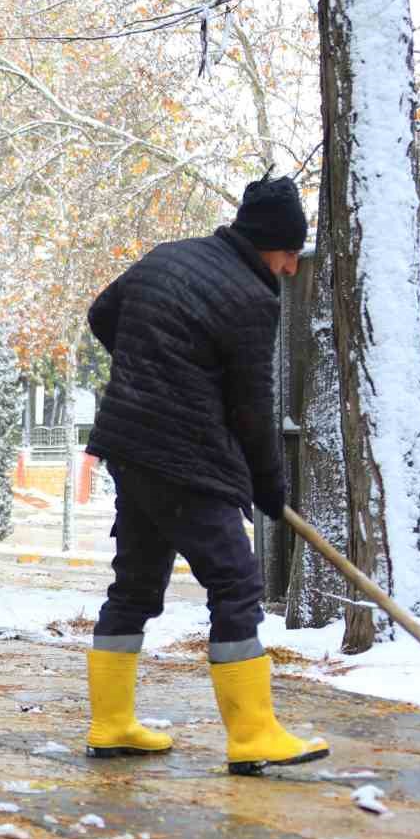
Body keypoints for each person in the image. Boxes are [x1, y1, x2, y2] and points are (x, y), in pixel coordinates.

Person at [81, 173, 328, 775]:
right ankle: (253, 734)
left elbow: (101, 313)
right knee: (236, 584)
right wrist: (270, 485)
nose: (292, 268)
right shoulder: (251, 300)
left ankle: (111, 724)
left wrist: (153, 366)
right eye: (290, 253)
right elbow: (251, 407)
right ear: (269, 242)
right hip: (185, 454)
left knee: (135, 586)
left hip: (130, 446)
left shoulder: (167, 258)